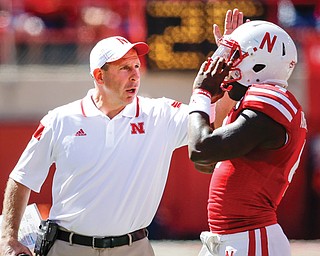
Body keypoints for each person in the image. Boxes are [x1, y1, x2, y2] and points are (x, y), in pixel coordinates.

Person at [0, 9, 244, 256]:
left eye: (137, 66)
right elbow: (21, 178)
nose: (135, 75)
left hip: (133, 248)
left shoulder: (159, 113)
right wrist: (9, 239)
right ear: (99, 75)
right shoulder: (60, 119)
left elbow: (212, 117)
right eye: (124, 68)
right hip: (68, 248)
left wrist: (231, 63)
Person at [188, 20, 307, 255]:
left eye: (235, 56)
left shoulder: (271, 100)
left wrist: (201, 93)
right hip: (236, 237)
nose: (225, 64)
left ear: (259, 63)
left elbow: (201, 148)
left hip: (250, 238)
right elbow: (205, 163)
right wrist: (209, 99)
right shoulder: (257, 104)